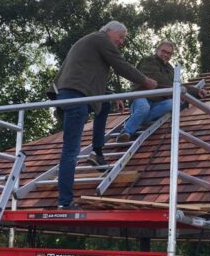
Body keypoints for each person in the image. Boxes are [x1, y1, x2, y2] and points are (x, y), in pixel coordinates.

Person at [54, 21, 157, 209]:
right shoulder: (102, 39)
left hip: (72, 92)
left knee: (105, 104)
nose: (122, 42)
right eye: (121, 37)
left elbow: (86, 77)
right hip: (76, 96)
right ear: (110, 31)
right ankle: (65, 202)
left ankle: (97, 151)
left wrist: (110, 95)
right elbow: (120, 65)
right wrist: (145, 80)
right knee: (70, 151)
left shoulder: (90, 42)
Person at [117, 41, 209, 143]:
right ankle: (126, 132)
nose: (165, 55)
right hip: (142, 96)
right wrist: (193, 91)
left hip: (158, 101)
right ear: (157, 50)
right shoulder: (148, 61)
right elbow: (161, 81)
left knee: (174, 104)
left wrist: (195, 92)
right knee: (144, 108)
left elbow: (175, 85)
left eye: (169, 53)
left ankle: (137, 119)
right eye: (163, 51)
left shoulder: (170, 69)